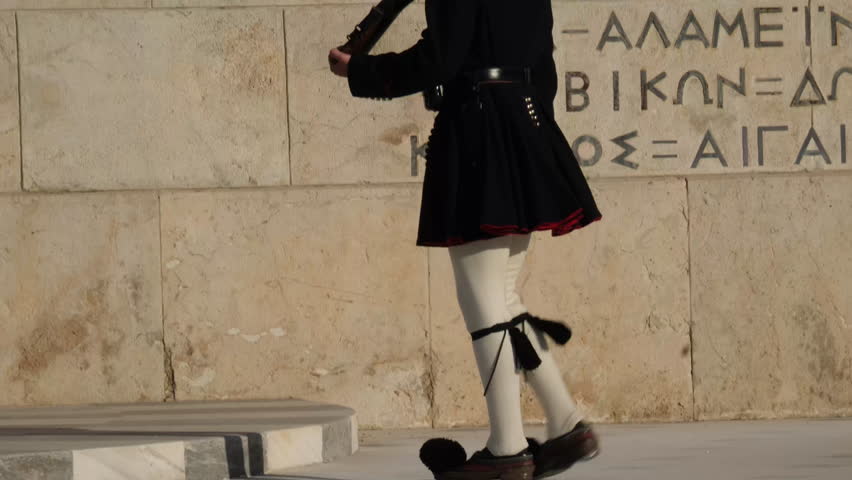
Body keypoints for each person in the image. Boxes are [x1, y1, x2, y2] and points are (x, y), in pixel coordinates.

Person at [329, 1, 602, 478]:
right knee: (504, 296)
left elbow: (442, 57)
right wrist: (528, 133)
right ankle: (565, 424)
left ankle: (507, 449)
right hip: (525, 123)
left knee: (484, 301)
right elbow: (542, 64)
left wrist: (361, 71)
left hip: (480, 133)